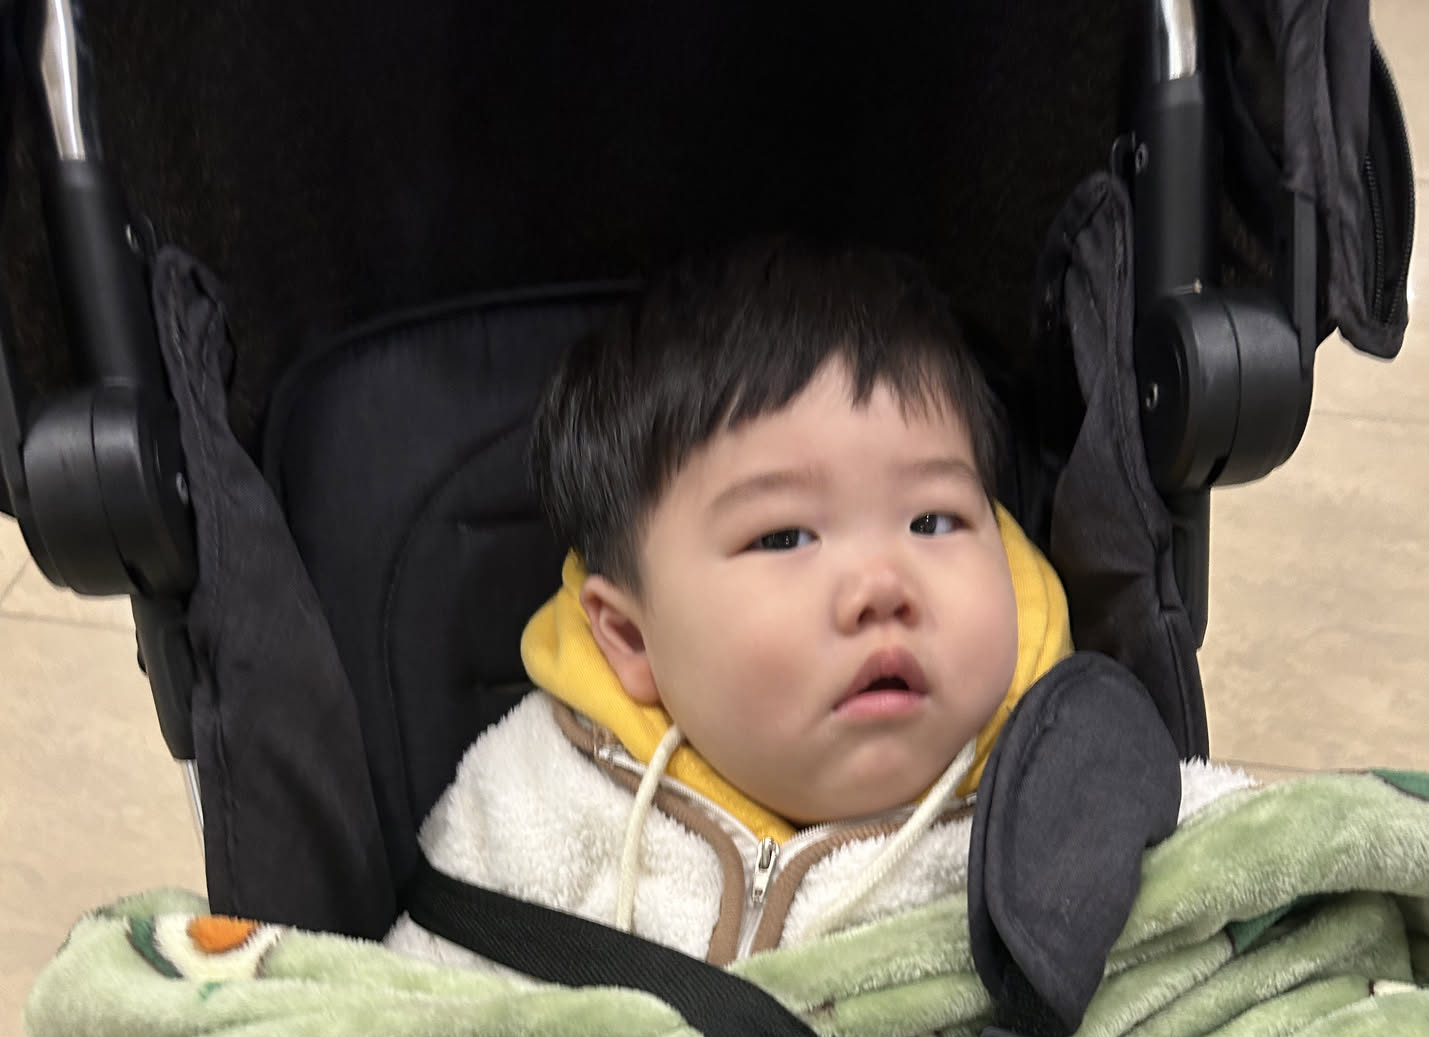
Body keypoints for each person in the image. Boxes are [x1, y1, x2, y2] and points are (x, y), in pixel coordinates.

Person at [387, 239, 1079, 971]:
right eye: (783, 538)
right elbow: (409, 1012)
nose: (882, 587)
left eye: (933, 522)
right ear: (632, 638)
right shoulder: (534, 808)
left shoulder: (1071, 788)